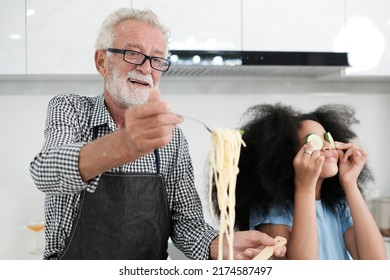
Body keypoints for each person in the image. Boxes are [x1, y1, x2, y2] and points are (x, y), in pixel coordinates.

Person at [29, 7, 285, 260]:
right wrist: (125, 144)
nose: (146, 68)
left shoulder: (171, 138)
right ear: (101, 62)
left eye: (157, 59)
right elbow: (46, 171)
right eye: (132, 53)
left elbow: (187, 223)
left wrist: (217, 244)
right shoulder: (71, 109)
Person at [225, 103, 387, 259]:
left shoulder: (338, 205)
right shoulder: (272, 209)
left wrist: (350, 183)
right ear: (285, 157)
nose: (327, 146)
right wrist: (305, 187)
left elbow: (376, 262)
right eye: (313, 141)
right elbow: (304, 268)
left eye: (327, 138)